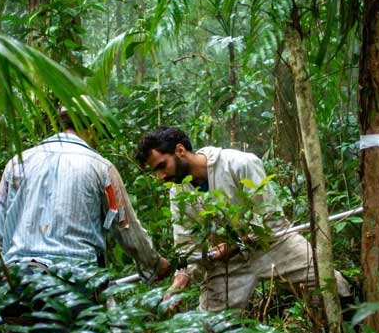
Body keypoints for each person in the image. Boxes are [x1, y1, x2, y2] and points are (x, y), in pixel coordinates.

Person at [0, 109, 169, 333]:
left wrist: (10, 279)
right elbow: (125, 228)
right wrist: (154, 264)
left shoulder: (17, 163)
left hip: (24, 280)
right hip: (79, 282)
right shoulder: (100, 167)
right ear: (90, 127)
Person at [135, 126, 350, 312]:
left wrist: (237, 243)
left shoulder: (239, 164)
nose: (161, 177)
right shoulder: (178, 190)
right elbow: (186, 244)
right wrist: (179, 281)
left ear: (180, 151)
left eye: (162, 166)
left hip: (273, 244)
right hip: (228, 264)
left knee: (335, 285)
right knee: (207, 331)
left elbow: (269, 217)